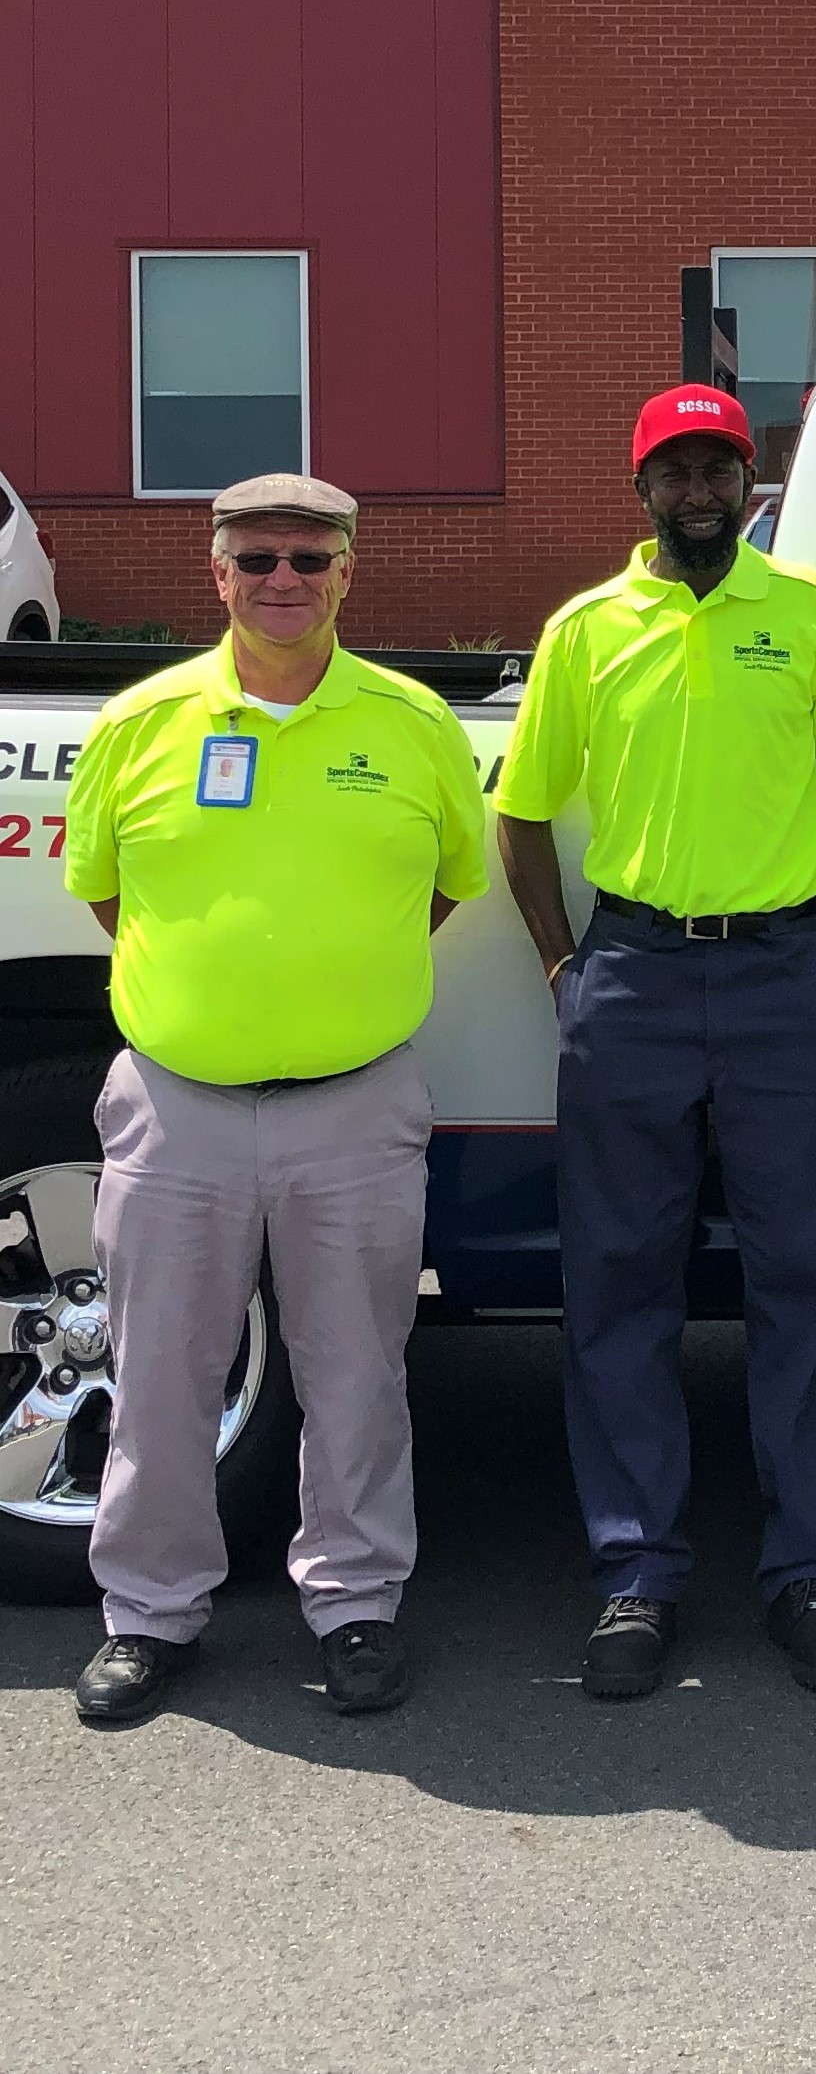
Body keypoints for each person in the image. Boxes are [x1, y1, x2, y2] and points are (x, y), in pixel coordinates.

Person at [61, 474, 486, 1724]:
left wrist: (328, 990)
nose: (284, 580)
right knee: (161, 1376)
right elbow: (105, 893)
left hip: (354, 1109)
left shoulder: (412, 726)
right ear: (217, 572)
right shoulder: (140, 724)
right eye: (258, 560)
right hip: (177, 1105)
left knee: (358, 1372)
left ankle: (354, 1605)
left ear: (351, 570)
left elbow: (451, 882)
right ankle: (148, 1613)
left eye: (311, 557)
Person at [495, 386, 816, 1702]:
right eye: (675, 466)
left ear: (744, 473)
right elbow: (523, 813)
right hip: (637, 974)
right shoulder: (585, 630)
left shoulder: (811, 619)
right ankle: (635, 1574)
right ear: (641, 482)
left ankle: (808, 1566)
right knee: (618, 1286)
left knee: (802, 1283)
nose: (699, 485)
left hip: (784, 975)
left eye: (718, 462)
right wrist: (562, 962)